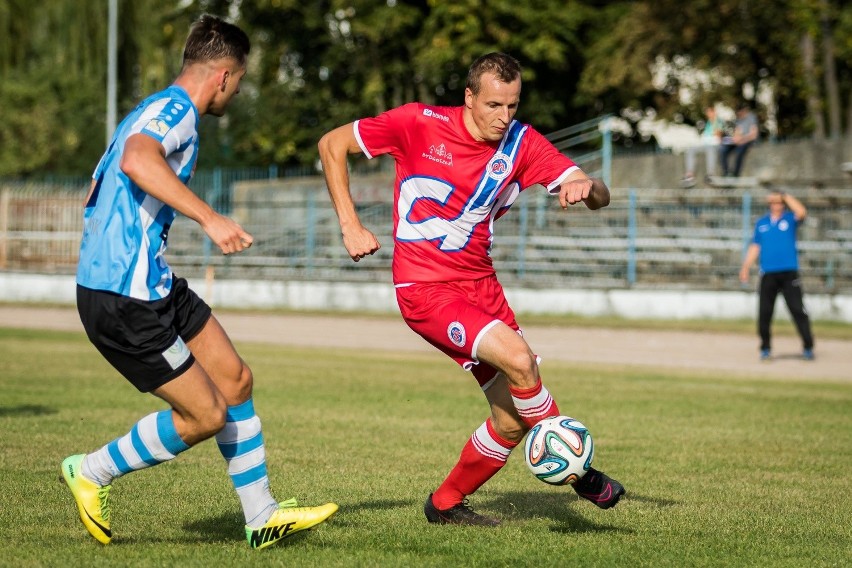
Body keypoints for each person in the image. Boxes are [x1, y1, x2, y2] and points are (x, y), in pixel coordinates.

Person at [63, 14, 337, 549]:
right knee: (205, 413)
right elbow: (138, 161)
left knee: (234, 379)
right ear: (224, 76)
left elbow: (111, 181)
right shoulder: (176, 112)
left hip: (151, 281)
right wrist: (209, 218)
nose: (234, 93)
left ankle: (261, 516)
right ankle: (90, 470)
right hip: (122, 295)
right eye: (238, 82)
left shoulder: (152, 108)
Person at [318, 52, 625, 526]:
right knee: (521, 361)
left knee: (511, 418)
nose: (504, 117)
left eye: (513, 106)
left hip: (482, 287)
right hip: (424, 288)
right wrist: (349, 224)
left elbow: (596, 193)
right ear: (468, 97)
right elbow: (331, 144)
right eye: (494, 105)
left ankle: (444, 505)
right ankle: (580, 474)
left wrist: (587, 185)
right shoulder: (415, 122)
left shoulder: (521, 143)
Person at [739, 191, 815, 361]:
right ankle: (765, 347)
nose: (776, 205)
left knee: (797, 310)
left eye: (779, 202)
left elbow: (802, 212)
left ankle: (808, 346)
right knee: (765, 313)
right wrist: (745, 267)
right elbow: (755, 246)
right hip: (768, 273)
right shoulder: (762, 223)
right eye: (773, 202)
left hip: (788, 272)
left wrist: (785, 196)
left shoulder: (790, 219)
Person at [681, 105, 723, 187]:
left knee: (710, 150)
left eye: (710, 112)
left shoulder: (718, 121)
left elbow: (718, 136)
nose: (708, 114)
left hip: (714, 145)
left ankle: (711, 174)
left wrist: (714, 122)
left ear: (714, 112)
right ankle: (689, 175)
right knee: (690, 150)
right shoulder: (708, 123)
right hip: (705, 144)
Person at [719, 103, 759, 177]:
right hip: (738, 141)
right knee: (722, 149)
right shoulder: (738, 119)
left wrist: (743, 139)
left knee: (739, 152)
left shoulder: (751, 117)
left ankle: (736, 174)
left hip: (747, 141)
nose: (739, 114)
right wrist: (734, 138)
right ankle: (726, 172)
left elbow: (754, 135)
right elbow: (736, 133)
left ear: (744, 111)